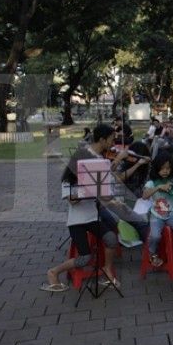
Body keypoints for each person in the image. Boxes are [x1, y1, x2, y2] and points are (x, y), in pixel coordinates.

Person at [41, 124, 121, 292]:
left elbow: (105, 196)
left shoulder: (96, 174)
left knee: (112, 239)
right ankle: (53, 272)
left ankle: (107, 269)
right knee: (85, 257)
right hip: (77, 221)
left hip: (93, 217)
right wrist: (88, 188)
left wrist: (104, 191)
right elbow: (72, 200)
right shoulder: (68, 181)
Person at [143, 151, 173, 268]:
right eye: (162, 168)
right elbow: (144, 196)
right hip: (156, 216)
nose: (165, 171)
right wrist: (158, 187)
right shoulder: (151, 183)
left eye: (168, 168)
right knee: (155, 236)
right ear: (156, 169)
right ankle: (152, 254)